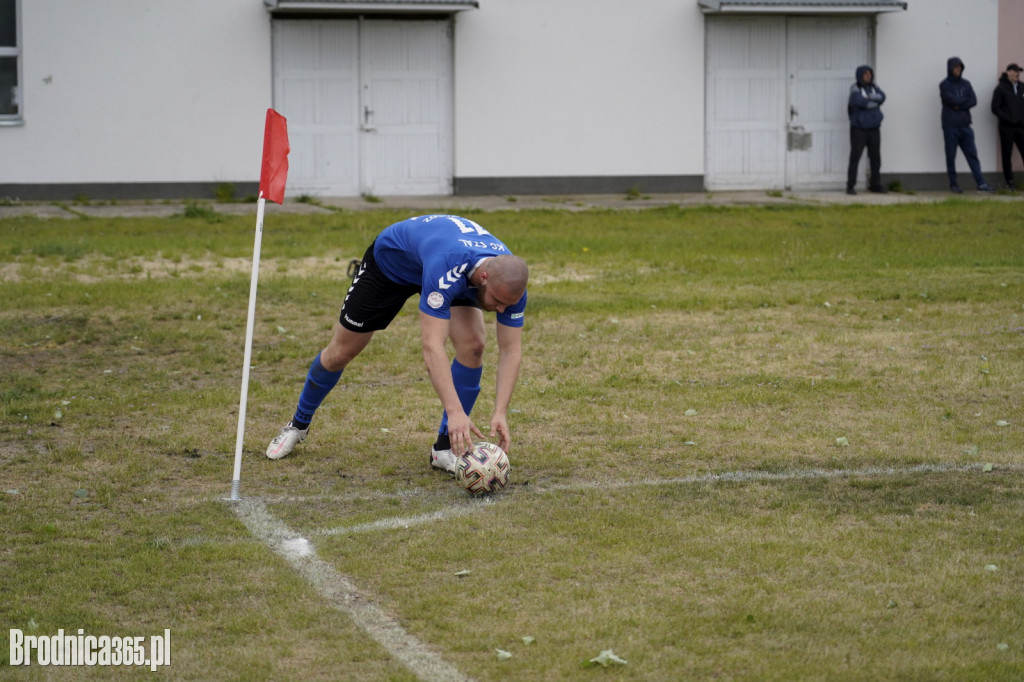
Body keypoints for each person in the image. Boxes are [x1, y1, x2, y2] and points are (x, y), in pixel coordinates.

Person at [265, 214, 529, 475]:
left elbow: (511, 350)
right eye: (497, 301)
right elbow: (431, 347)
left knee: (473, 346)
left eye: (507, 304)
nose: (501, 309)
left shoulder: (509, 284)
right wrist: (455, 411)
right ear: (484, 277)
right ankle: (298, 425)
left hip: (445, 265)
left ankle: (444, 448)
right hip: (392, 266)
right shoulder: (449, 266)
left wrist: (500, 412)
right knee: (339, 353)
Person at [939, 57, 995, 193]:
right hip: (950, 126)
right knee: (951, 156)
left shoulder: (966, 84)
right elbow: (951, 100)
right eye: (956, 67)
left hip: (965, 125)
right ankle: (954, 184)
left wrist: (960, 104)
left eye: (960, 67)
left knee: (972, 155)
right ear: (950, 68)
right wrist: (961, 103)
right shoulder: (944, 85)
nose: (958, 70)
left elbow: (973, 100)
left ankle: (981, 184)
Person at [846, 65, 886, 195]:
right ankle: (850, 185)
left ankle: (876, 183)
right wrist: (874, 101)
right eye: (865, 74)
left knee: (875, 158)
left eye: (870, 73)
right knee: (855, 157)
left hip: (874, 129)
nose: (868, 76)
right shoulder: (855, 88)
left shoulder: (874, 88)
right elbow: (858, 101)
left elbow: (883, 97)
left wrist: (869, 99)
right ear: (860, 75)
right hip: (859, 129)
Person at [990, 62, 1024, 189]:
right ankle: (1009, 181)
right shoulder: (1001, 89)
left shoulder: (1022, 87)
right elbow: (995, 108)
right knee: (1006, 153)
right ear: (1008, 72)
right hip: (1007, 128)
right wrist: (1008, 118)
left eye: (1018, 72)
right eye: (1015, 71)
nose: (1017, 74)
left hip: (1021, 127)